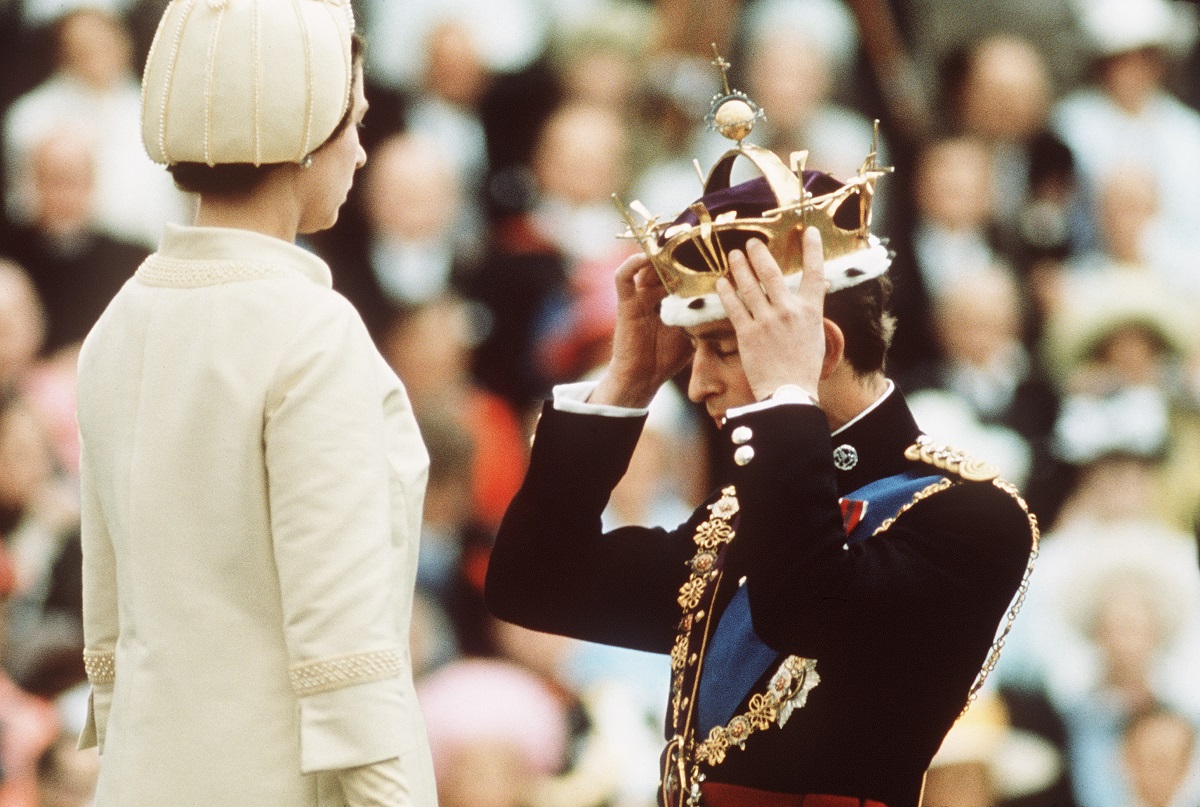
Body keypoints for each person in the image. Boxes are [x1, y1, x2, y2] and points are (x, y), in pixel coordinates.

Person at [485, 60, 1037, 807]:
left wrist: (785, 395)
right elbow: (533, 584)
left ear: (823, 350)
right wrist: (625, 385)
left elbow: (805, 606)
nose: (698, 383)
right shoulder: (735, 524)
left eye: (724, 348)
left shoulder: (970, 516)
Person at [75, 1, 436, 805]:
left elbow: (109, 642)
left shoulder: (117, 323)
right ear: (304, 138)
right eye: (354, 123)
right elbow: (345, 652)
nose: (362, 150)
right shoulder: (311, 332)